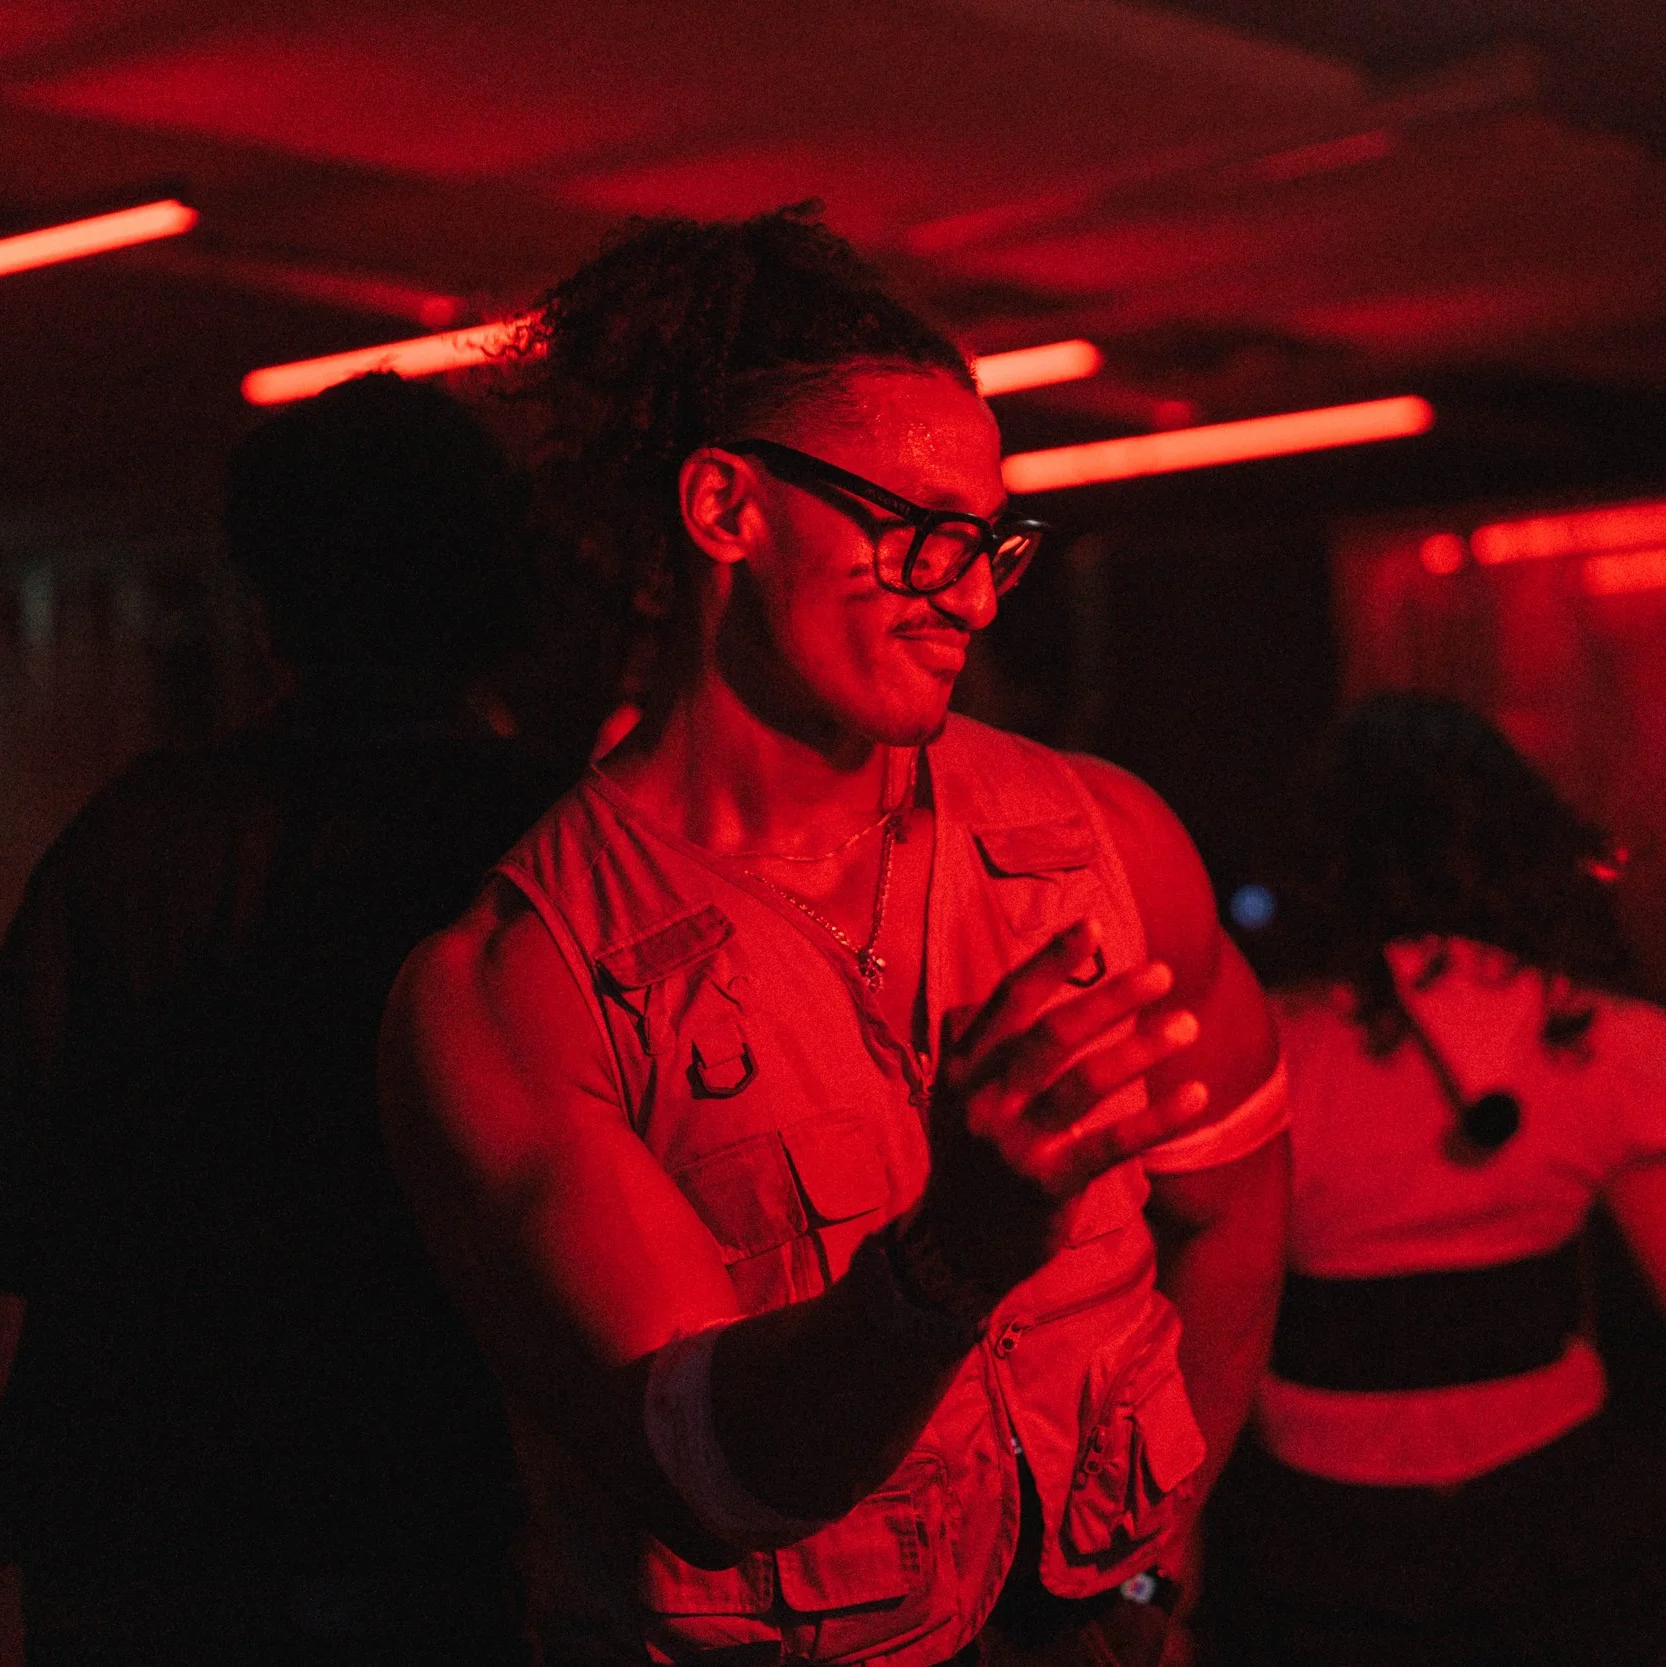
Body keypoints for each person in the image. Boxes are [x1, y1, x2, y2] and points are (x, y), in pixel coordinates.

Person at [380, 207, 1291, 1667]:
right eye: (922, 534)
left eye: (994, 539)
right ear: (727, 509)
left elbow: (1234, 1200)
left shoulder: (1105, 842)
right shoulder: (514, 983)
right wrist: (954, 1253)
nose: (975, 594)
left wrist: (1150, 1565)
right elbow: (709, 1473)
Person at [0, 373, 582, 1667]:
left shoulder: (139, 837)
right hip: (443, 1525)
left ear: (269, 600)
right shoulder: (564, 844)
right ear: (500, 594)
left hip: (141, 1541)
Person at [1203, 692, 1666, 1667]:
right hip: (1547, 1514)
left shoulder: (1264, 1047)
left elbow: (1216, 1309)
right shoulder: (1598, 1037)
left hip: (1317, 1523)